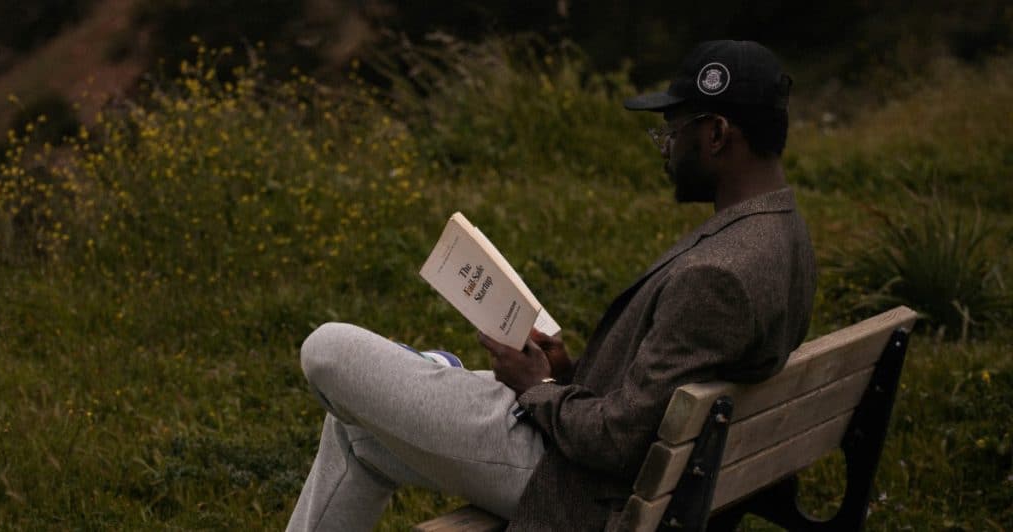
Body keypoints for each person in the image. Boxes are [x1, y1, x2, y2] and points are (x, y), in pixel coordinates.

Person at [287, 40, 816, 531]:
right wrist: (567, 375)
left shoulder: (718, 275)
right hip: (653, 467)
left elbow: (617, 443)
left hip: (580, 487)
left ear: (719, 134)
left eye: (673, 132)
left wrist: (538, 391)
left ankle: (435, 371)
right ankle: (434, 374)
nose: (666, 150)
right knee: (354, 432)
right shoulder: (784, 233)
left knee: (329, 349)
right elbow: (660, 396)